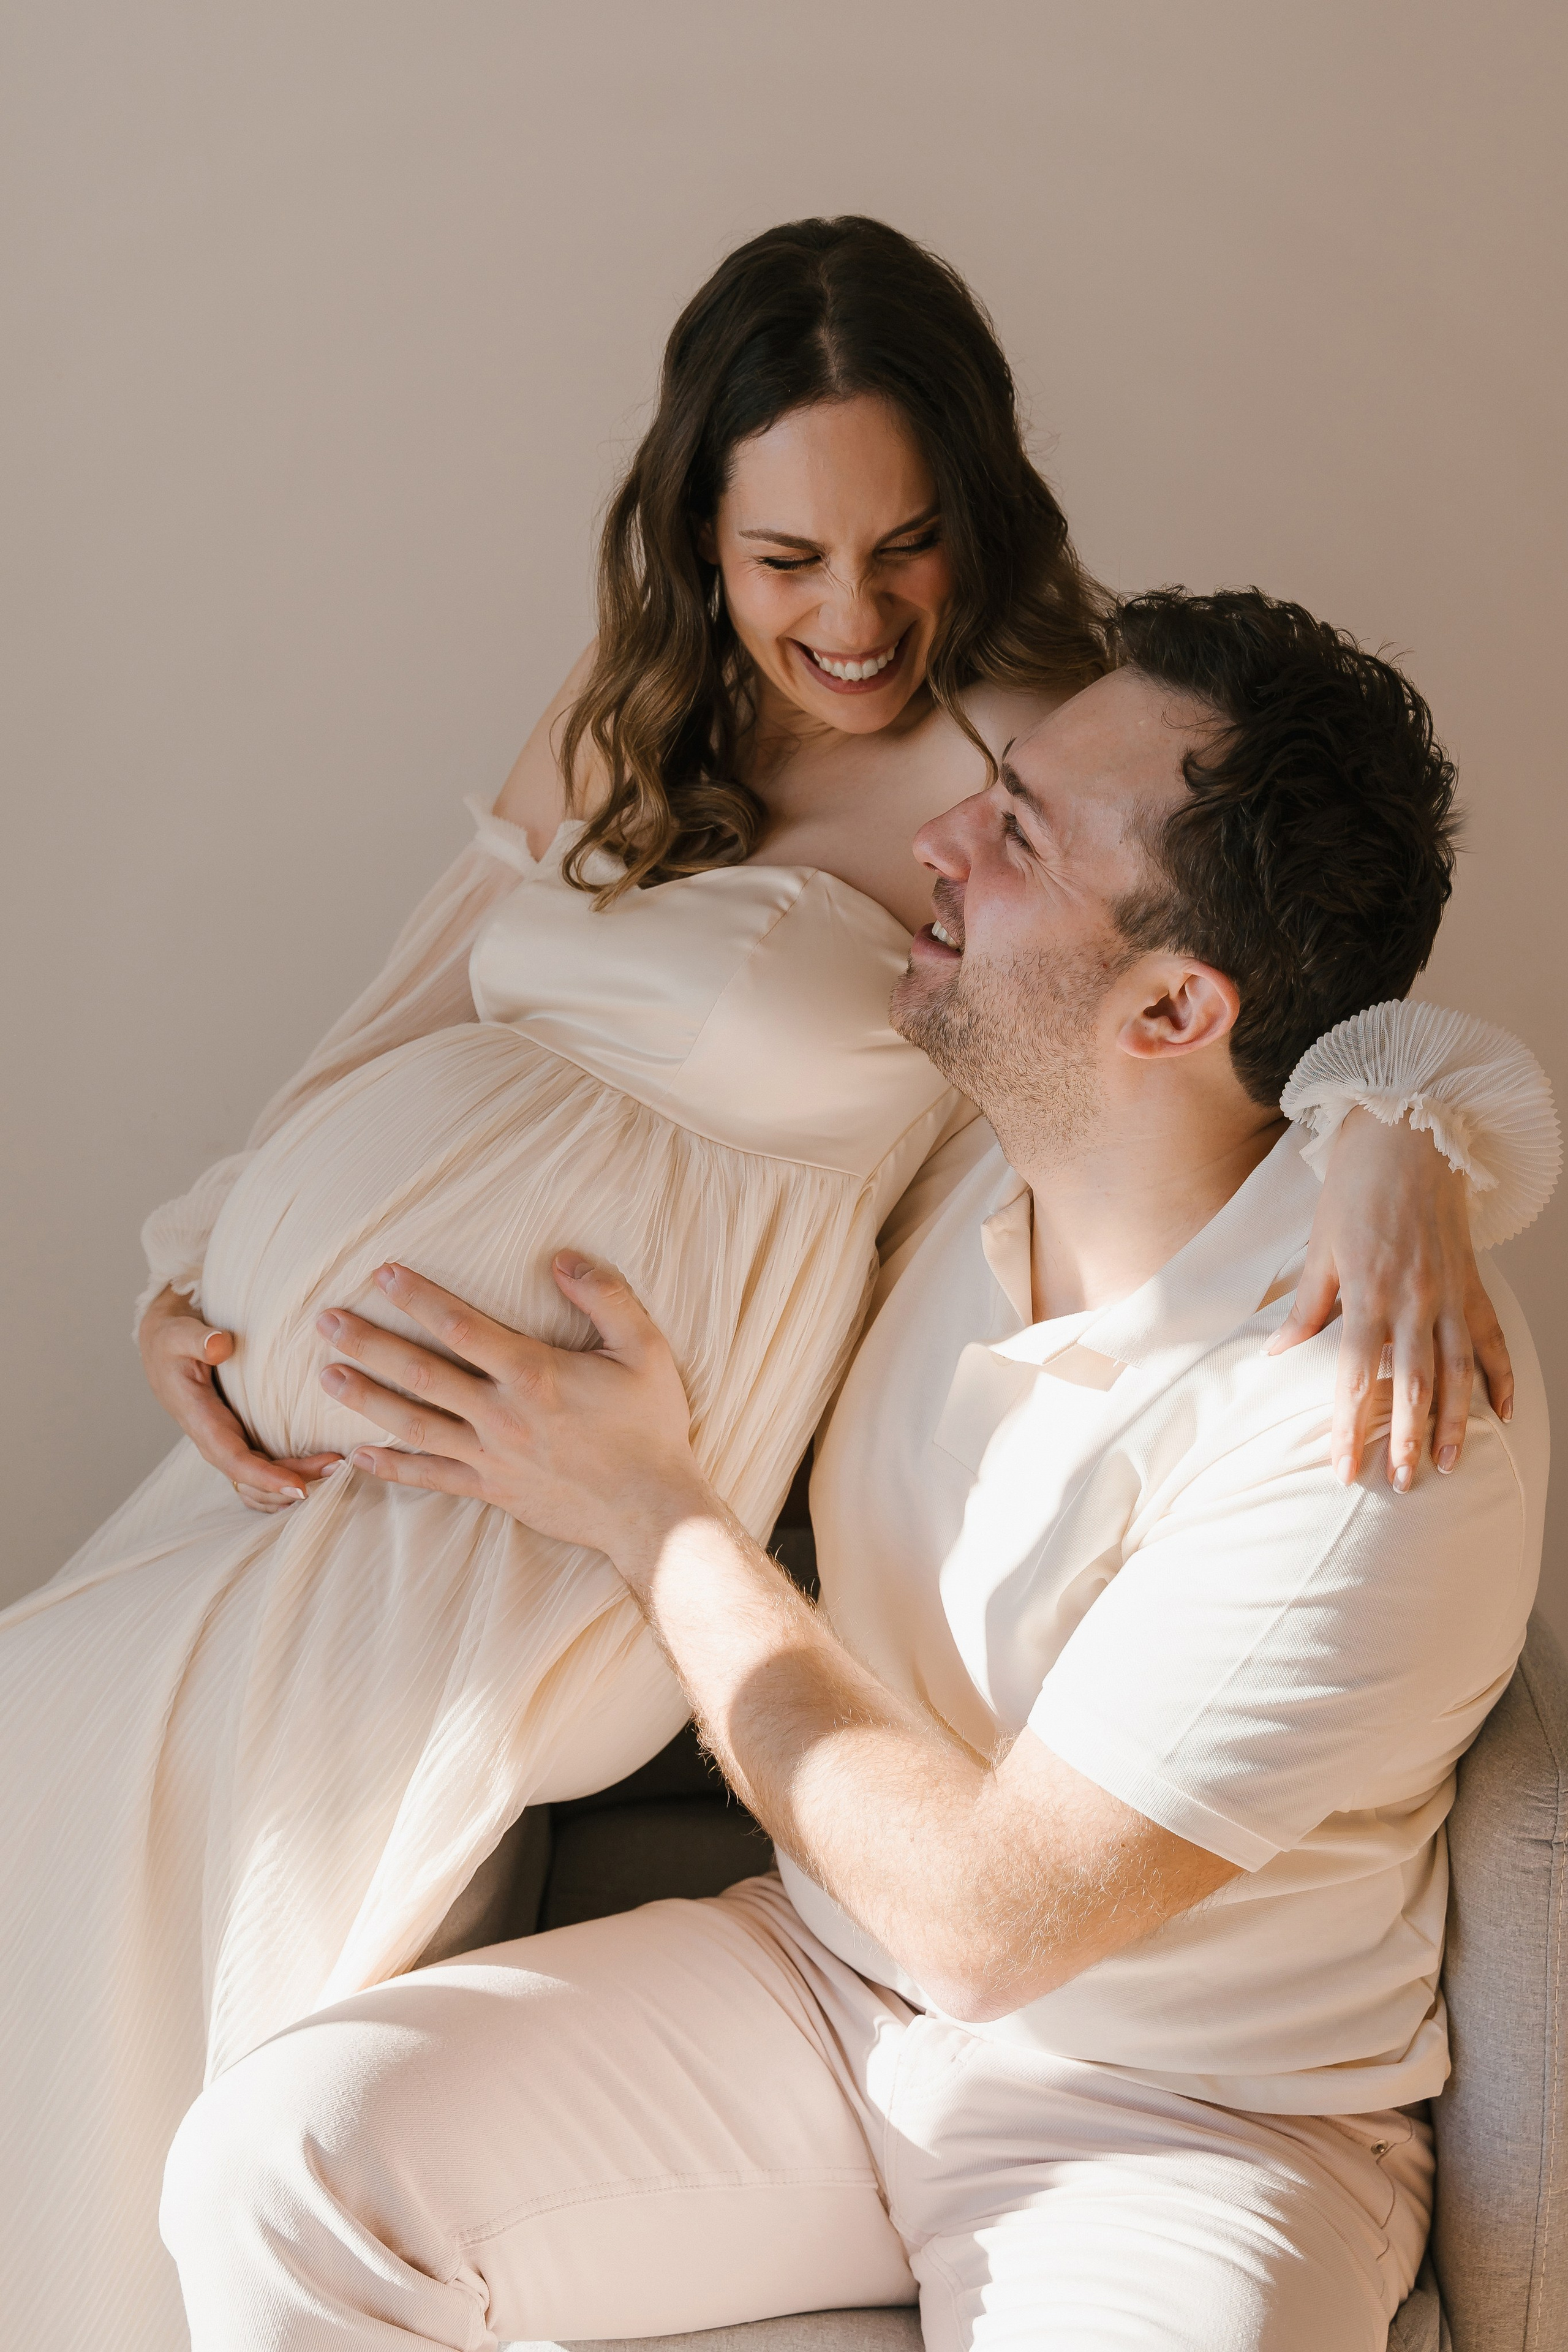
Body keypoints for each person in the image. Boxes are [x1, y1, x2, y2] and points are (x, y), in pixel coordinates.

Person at [0, 219, 1540, 2352]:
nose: (930, 846)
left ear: (1177, 1006)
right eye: (979, 802)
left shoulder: (1364, 1406)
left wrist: (653, 1509)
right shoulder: (971, 1163)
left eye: (1009, 831)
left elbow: (1003, 1921)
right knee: (283, 2160)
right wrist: (219, 1271)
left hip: (1180, 2118)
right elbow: (1360, 1039)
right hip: (826, 1998)